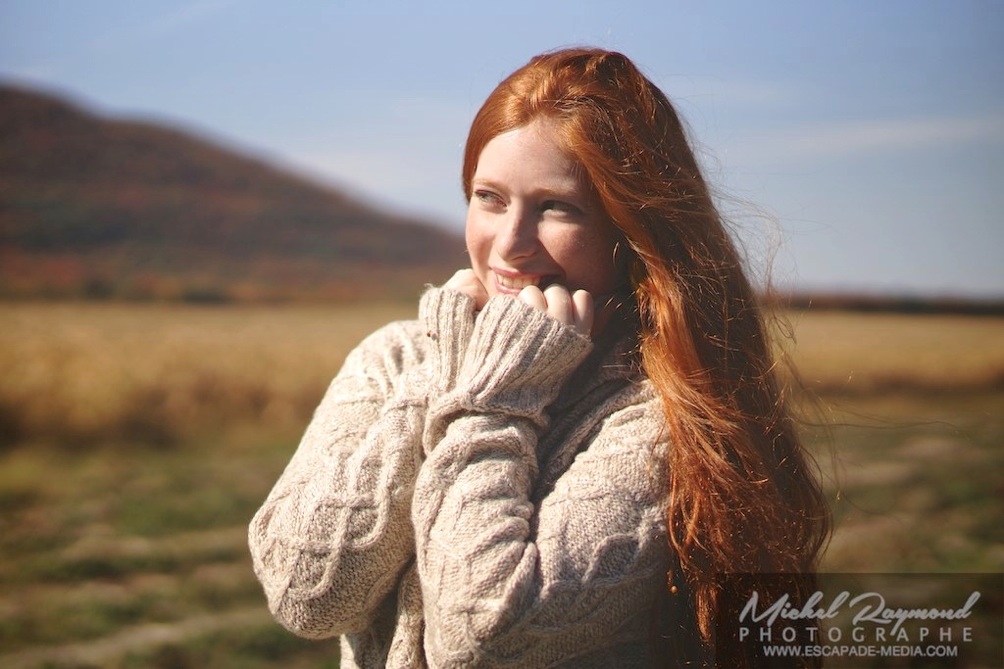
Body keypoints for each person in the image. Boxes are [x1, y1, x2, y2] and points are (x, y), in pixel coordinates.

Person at [249, 47, 830, 668]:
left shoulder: (661, 414)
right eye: (489, 198)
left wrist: (495, 399)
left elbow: (485, 632)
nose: (510, 244)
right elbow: (307, 596)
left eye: (556, 207)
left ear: (631, 230)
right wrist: (444, 372)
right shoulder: (393, 359)